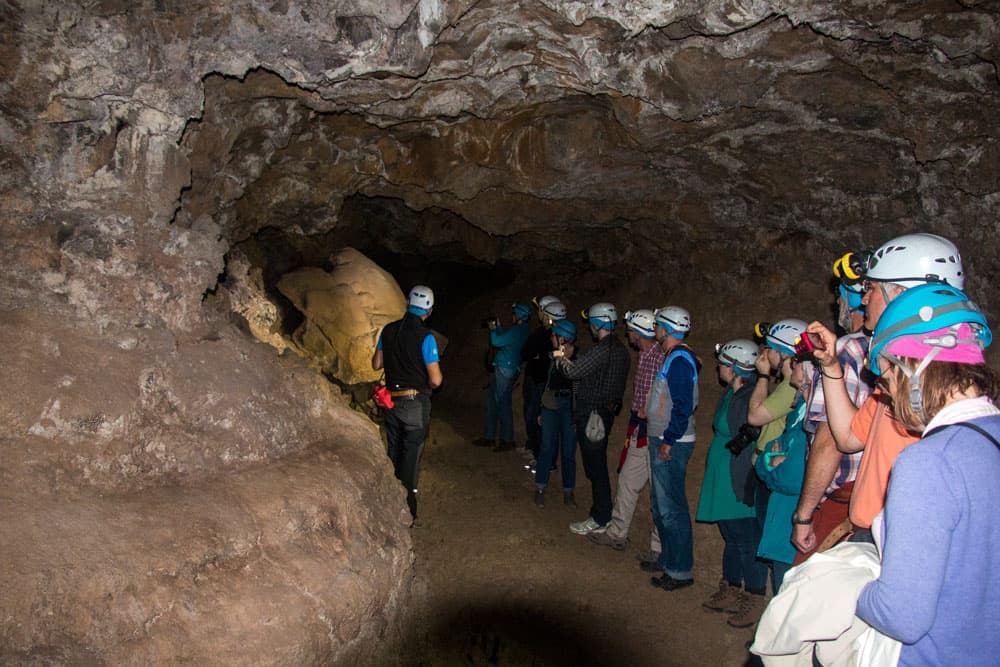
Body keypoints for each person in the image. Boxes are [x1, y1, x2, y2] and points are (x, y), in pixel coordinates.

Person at [855, 283, 1000, 666]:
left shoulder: (929, 462)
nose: (887, 398)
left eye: (885, 382)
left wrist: (844, 587)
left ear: (912, 368)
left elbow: (902, 616)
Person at [804, 233, 965, 541]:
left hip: (902, 535)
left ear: (901, 294)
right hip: (872, 529)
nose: (864, 299)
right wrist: (831, 366)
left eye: (872, 288)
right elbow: (849, 436)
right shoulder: (897, 374)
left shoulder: (936, 384)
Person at [790, 253, 872, 562]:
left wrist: (804, 515)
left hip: (844, 500)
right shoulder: (888, 350)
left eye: (840, 294)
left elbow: (830, 442)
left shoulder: (846, 351)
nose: (837, 301)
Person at [695, 339, 768, 627]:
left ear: (737, 367)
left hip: (737, 478)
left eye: (724, 363)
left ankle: (754, 596)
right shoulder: (733, 392)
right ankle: (731, 587)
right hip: (723, 475)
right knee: (732, 535)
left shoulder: (750, 396)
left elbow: (753, 433)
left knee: (746, 538)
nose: (719, 367)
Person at [589, 309, 664, 557]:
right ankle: (617, 533)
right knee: (627, 481)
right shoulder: (645, 354)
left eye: (631, 330)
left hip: (656, 431)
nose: (628, 334)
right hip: (639, 428)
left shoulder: (659, 357)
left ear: (639, 332)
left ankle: (659, 547)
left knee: (658, 491)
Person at [557, 302, 630, 537]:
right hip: (604, 413)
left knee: (595, 464)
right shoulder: (620, 350)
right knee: (595, 463)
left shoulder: (603, 349)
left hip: (593, 416)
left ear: (597, 323)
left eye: (591, 321)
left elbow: (573, 372)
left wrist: (559, 358)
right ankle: (602, 513)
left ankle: (601, 517)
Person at [371, 285, 443, 520]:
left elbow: (376, 364)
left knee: (394, 449)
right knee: (411, 456)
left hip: (391, 401)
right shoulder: (427, 337)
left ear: (407, 304)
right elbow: (436, 380)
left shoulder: (389, 330)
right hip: (414, 402)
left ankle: (387, 503)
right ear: (429, 311)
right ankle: (407, 512)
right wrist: (424, 384)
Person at [644, 306, 699, 591]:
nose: (655, 330)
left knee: (672, 508)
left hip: (672, 442)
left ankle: (679, 570)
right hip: (665, 438)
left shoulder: (679, 360)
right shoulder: (674, 357)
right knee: (662, 505)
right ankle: (668, 560)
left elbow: (683, 405)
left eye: (657, 326)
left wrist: (668, 440)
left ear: (666, 328)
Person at [534, 318, 579, 507]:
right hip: (551, 404)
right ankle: (540, 487)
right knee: (546, 447)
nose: (551, 338)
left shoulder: (578, 358)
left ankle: (568, 491)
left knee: (568, 450)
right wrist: (540, 410)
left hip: (569, 406)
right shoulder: (554, 355)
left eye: (554, 335)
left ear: (562, 337)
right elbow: (546, 383)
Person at [519, 296, 566, 462]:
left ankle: (541, 455)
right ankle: (533, 447)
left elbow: (548, 358)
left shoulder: (555, 335)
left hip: (543, 382)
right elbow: (526, 352)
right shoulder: (540, 332)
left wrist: (539, 356)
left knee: (538, 417)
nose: (537, 313)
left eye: (539, 309)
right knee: (530, 414)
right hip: (534, 377)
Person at [480, 302, 531, 452]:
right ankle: (490, 437)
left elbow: (496, 341)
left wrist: (493, 329)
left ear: (519, 315)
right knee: (493, 400)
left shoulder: (517, 330)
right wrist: (499, 328)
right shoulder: (523, 329)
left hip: (505, 369)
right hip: (508, 368)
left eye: (514, 313)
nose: (512, 316)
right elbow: (506, 340)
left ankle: (507, 440)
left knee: (503, 403)